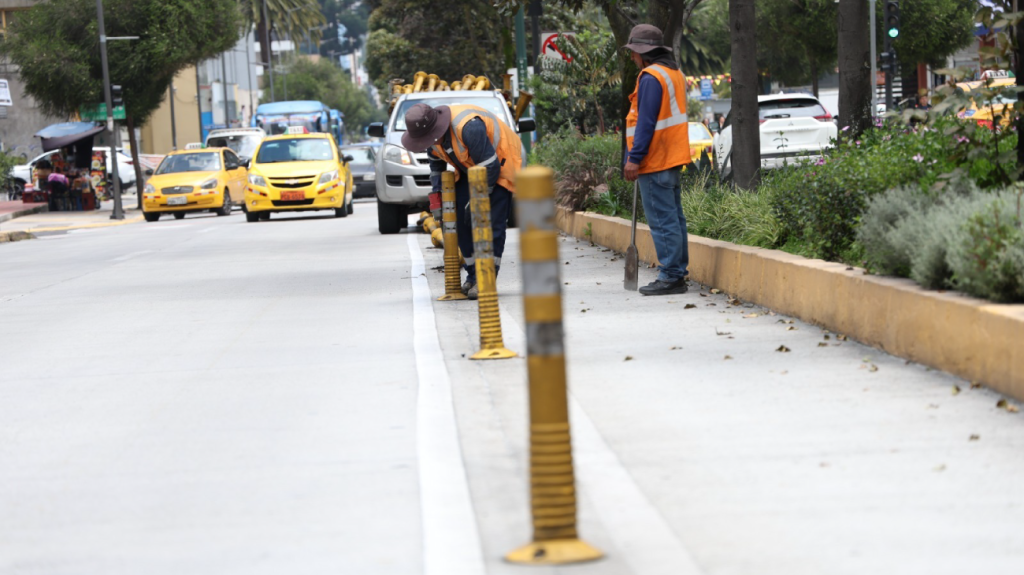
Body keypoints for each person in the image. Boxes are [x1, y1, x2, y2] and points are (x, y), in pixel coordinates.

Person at [401, 103, 522, 299]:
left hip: (499, 164)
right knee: (460, 219)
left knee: (490, 221)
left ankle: (486, 280)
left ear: (435, 129)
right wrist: (438, 197)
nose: (424, 143)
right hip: (471, 166)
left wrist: (476, 201)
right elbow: (436, 168)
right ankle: (473, 275)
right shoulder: (432, 139)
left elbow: (490, 167)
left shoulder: (468, 127)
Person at [622, 24, 693, 296]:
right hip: (671, 157)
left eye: (634, 52)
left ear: (644, 53)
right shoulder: (674, 73)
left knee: (663, 220)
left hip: (655, 159)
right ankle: (677, 273)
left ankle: (671, 276)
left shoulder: (651, 77)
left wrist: (634, 158)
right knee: (674, 219)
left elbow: (646, 122)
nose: (632, 57)